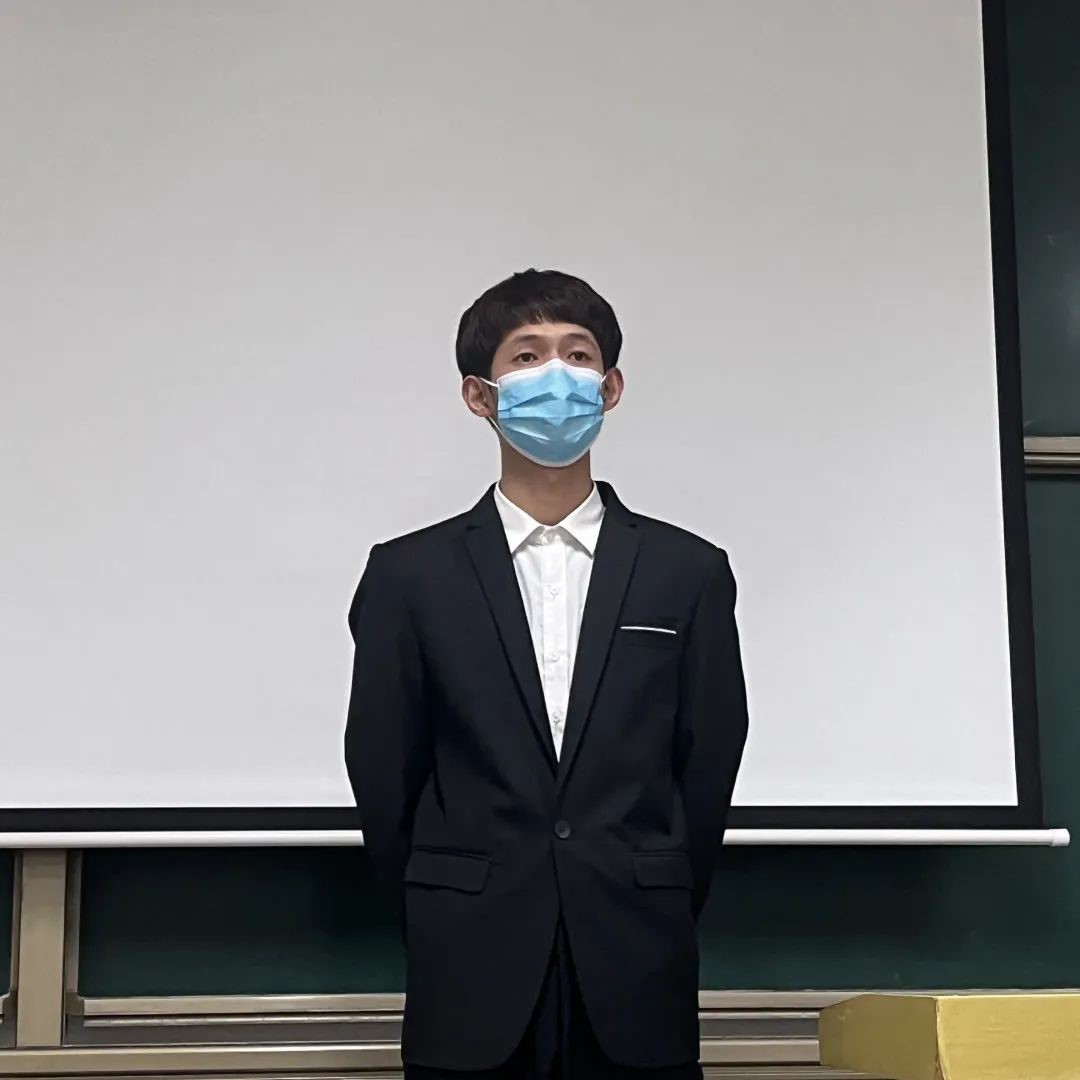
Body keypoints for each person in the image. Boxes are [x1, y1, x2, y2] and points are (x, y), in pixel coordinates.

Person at [344, 269, 749, 1079]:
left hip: (638, 959)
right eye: (526, 356)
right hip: (469, 962)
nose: (556, 374)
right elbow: (385, 771)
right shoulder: (409, 575)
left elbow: (706, 762)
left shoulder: (689, 570)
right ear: (479, 394)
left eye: (577, 354)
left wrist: (654, 887)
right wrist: (441, 902)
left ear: (611, 387)